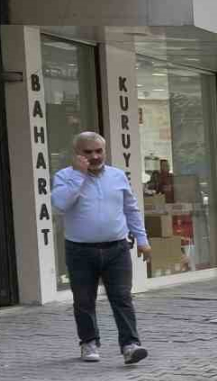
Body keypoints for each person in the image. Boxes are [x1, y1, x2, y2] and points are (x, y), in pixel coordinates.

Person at [51, 131, 151, 365]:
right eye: (88, 152)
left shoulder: (117, 176)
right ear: (77, 153)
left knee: (122, 298)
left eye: (99, 151)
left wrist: (142, 240)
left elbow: (131, 209)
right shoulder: (64, 176)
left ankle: (130, 345)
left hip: (117, 248)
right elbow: (60, 204)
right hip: (80, 250)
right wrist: (79, 175)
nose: (95, 156)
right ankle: (89, 342)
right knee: (84, 300)